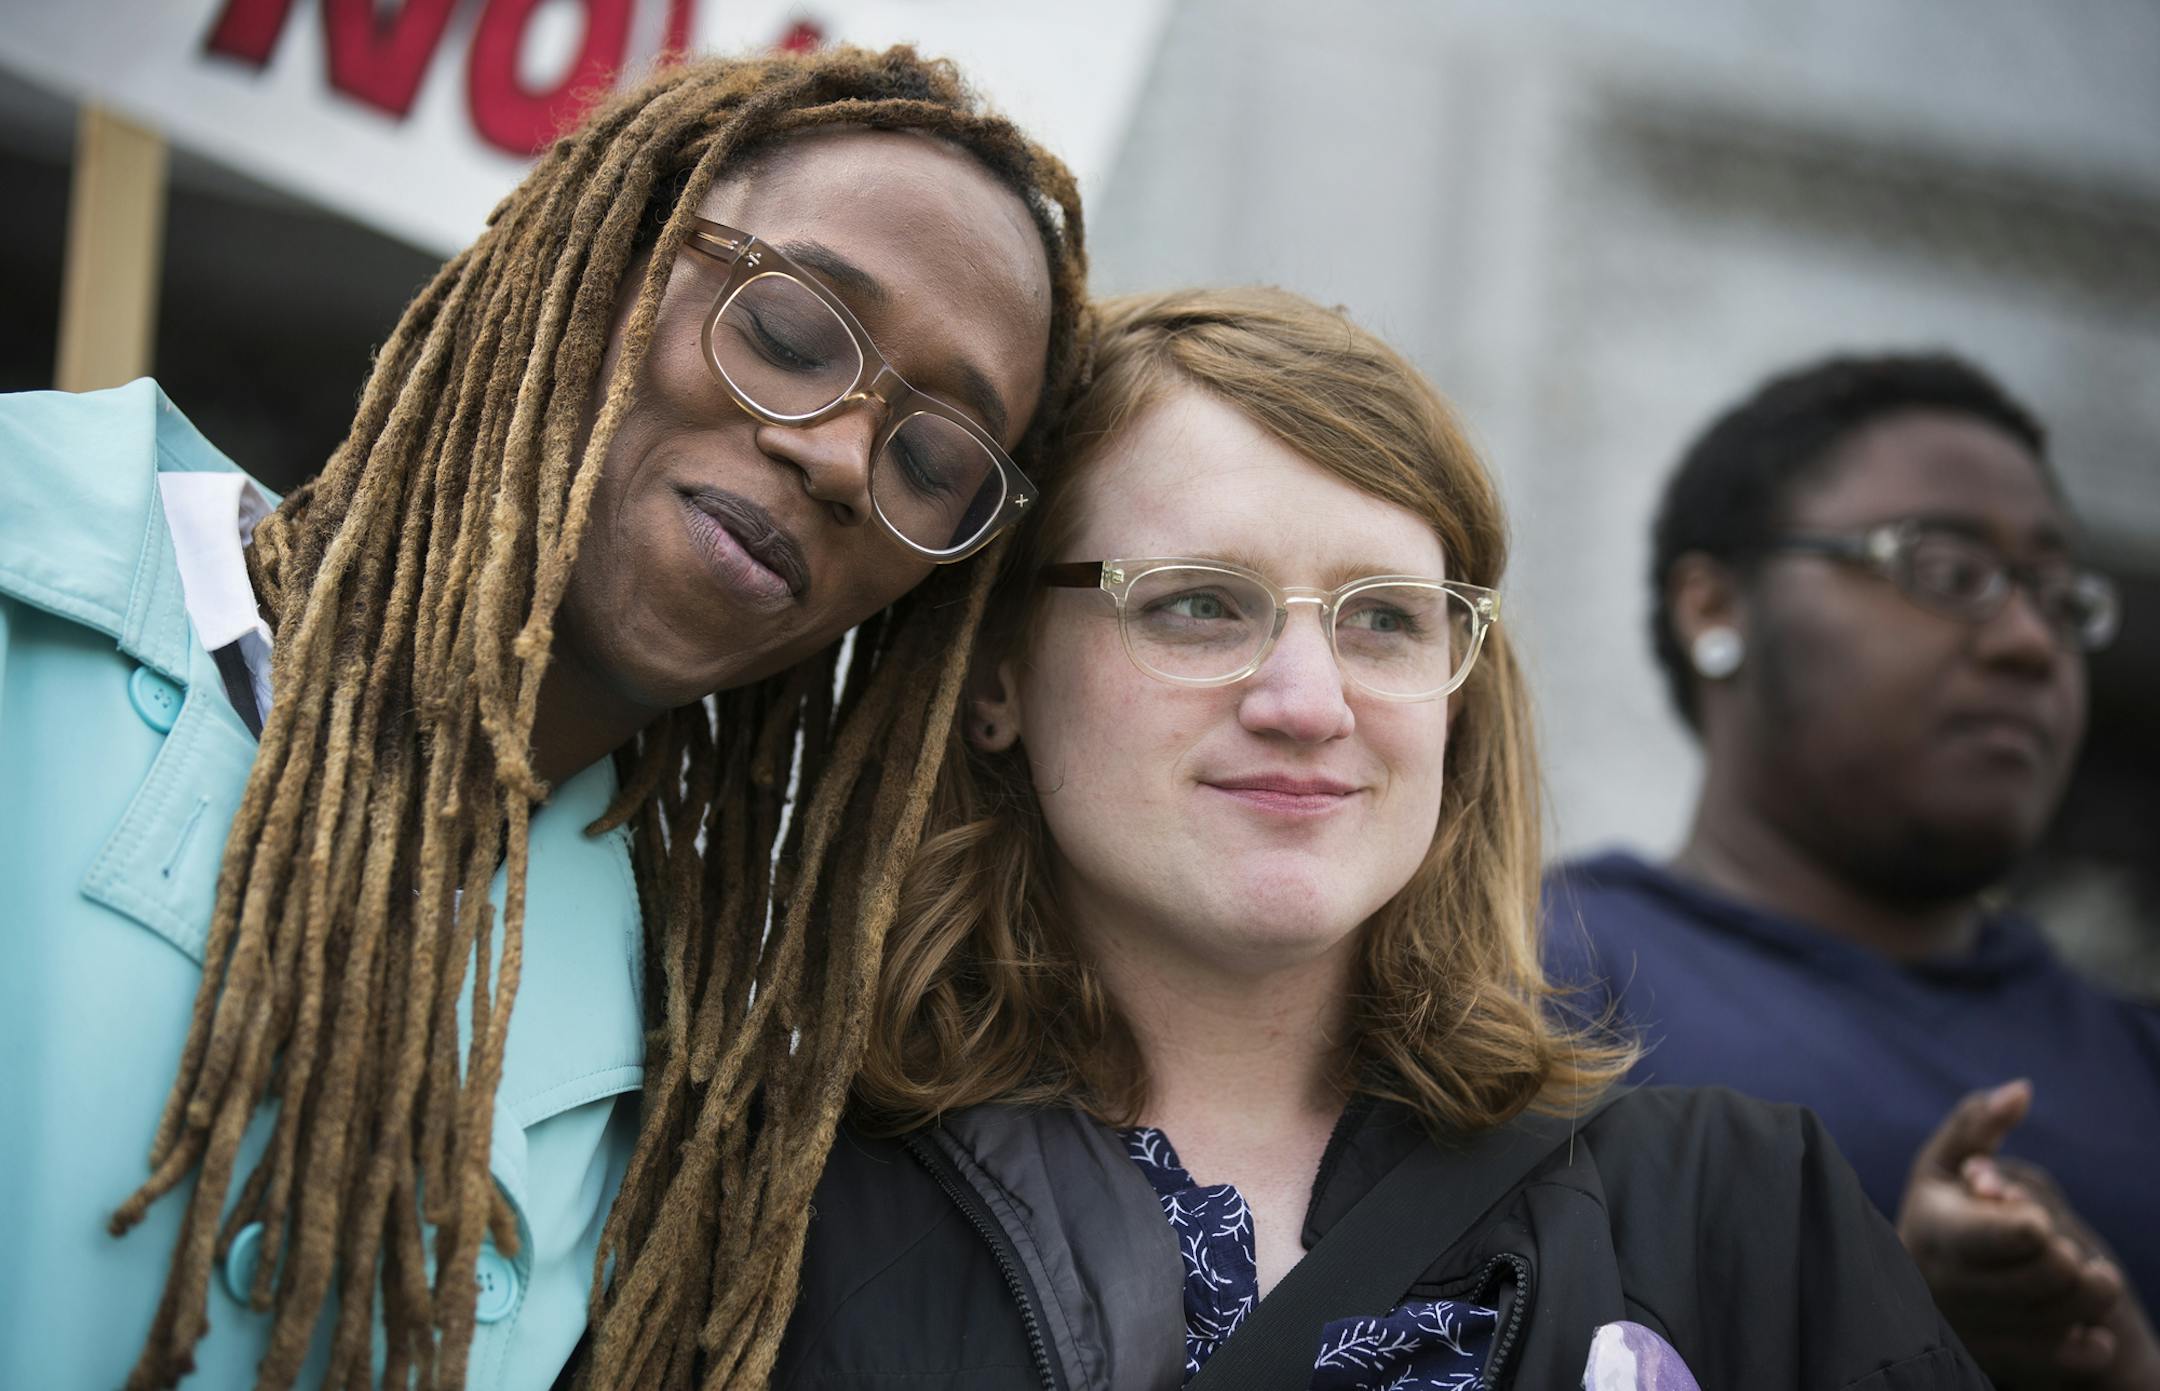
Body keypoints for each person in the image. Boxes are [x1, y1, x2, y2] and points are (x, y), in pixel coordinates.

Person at [0, 45, 1087, 1390]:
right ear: (597, 257)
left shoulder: (691, 1054)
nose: (841, 456)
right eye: (791, 334)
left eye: (935, 461)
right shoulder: (23, 565)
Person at [770, 290, 1986, 1390]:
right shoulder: (775, 1197)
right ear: (997, 676)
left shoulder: (1751, 1214)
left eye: (1388, 620)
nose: (1308, 701)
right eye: (1198, 602)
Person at [1547, 353, 2160, 1389]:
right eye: (1946, 569)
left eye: (2058, 597)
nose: (2026, 640)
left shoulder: (2140, 1062)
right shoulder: (1532, 985)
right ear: (1715, 608)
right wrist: (1888, 1326)